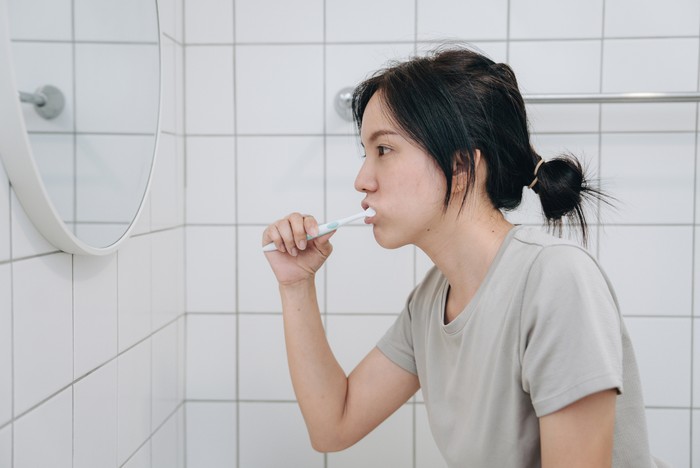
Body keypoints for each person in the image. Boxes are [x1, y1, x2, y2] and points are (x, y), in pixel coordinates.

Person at [262, 46, 665, 467]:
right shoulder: (429, 304)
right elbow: (334, 425)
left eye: (383, 150)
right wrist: (296, 284)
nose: (362, 180)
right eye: (366, 154)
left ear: (459, 168)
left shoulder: (555, 280)